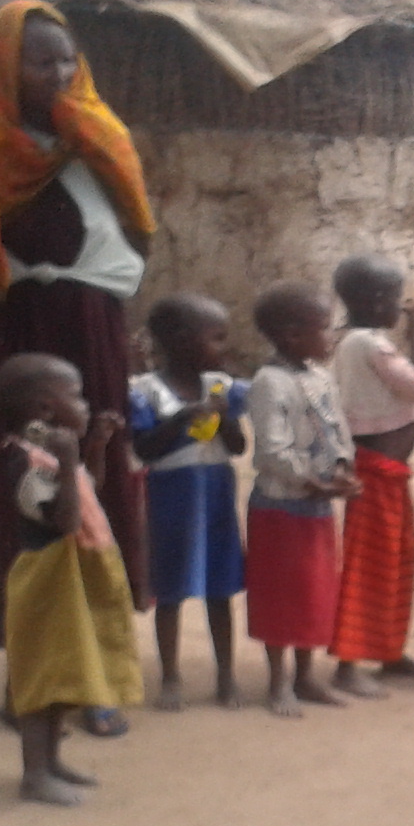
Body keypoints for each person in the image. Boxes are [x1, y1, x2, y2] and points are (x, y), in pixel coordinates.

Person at [0, 0, 153, 739]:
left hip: (92, 338)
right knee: (19, 493)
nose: (57, 73)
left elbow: (138, 243)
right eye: (40, 60)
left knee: (99, 486)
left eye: (67, 59)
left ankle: (96, 677)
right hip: (15, 343)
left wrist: (89, 293)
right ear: (4, 67)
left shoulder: (101, 139)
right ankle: (31, 665)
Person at [0, 355, 140, 804]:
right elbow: (63, 519)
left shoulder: (55, 452)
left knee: (63, 673)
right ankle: (34, 774)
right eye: (75, 395)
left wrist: (93, 447)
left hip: (73, 576)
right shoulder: (24, 462)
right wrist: (69, 456)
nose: (85, 403)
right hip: (47, 580)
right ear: (44, 409)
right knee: (42, 679)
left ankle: (52, 763)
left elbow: (86, 485)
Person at [130, 294, 249, 712]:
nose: (224, 348)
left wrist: (223, 416)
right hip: (172, 495)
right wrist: (182, 419)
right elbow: (145, 450)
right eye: (216, 338)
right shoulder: (145, 390)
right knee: (172, 587)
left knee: (220, 587)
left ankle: (226, 675)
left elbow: (236, 446)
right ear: (181, 341)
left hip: (216, 490)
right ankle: (170, 677)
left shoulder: (221, 387)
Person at [327, 254, 414, 698]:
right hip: (376, 477)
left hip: (387, 474)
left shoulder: (351, 341)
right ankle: (349, 663)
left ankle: (389, 650)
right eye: (395, 297)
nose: (400, 305)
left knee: (394, 559)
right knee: (367, 566)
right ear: (375, 302)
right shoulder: (371, 346)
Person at [247, 284, 358, 717]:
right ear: (293, 336)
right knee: (280, 595)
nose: (331, 337)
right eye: (324, 329)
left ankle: (306, 676)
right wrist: (316, 482)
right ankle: (278, 683)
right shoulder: (269, 383)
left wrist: (344, 469)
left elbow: (338, 430)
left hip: (315, 506)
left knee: (314, 592)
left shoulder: (320, 377)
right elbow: (271, 452)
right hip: (280, 508)